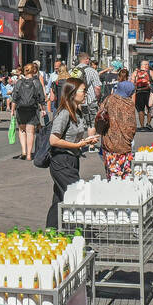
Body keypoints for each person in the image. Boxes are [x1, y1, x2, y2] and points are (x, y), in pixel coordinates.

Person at [46, 78, 101, 227]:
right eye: (83, 91)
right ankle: (78, 234)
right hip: (61, 161)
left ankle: (51, 231)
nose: (85, 94)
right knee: (76, 195)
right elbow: (53, 140)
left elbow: (73, 136)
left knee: (59, 198)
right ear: (72, 93)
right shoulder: (64, 113)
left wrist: (86, 141)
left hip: (72, 159)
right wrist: (77, 144)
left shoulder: (77, 112)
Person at [98, 73, 137, 178]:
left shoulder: (109, 99)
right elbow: (132, 125)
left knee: (112, 172)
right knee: (125, 171)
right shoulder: (129, 104)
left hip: (109, 141)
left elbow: (100, 115)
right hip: (125, 143)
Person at [13, 63, 45, 161]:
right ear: (33, 70)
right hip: (32, 109)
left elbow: (14, 97)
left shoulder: (19, 82)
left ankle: (23, 151)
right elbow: (41, 97)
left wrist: (12, 110)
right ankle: (29, 155)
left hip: (20, 109)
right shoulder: (36, 82)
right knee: (30, 132)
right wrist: (43, 109)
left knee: (22, 130)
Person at [76, 53, 102, 149]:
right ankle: (91, 145)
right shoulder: (92, 71)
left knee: (78, 122)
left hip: (76, 102)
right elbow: (97, 87)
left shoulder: (72, 71)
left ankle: (79, 144)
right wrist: (98, 98)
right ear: (87, 60)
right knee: (91, 123)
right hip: (89, 100)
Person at [132, 60, 153, 129]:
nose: (148, 66)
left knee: (142, 110)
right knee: (148, 109)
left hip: (139, 92)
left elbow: (132, 83)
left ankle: (142, 126)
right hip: (148, 92)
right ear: (142, 65)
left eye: (148, 64)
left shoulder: (135, 72)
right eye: (146, 64)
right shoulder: (150, 72)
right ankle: (148, 124)